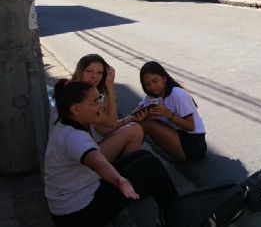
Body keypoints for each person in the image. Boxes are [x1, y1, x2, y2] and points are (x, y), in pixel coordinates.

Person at [45, 79, 178, 226]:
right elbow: (97, 162)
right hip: (78, 214)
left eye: (100, 98)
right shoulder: (75, 137)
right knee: (148, 164)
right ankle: (179, 216)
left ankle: (168, 204)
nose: (101, 104)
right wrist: (120, 180)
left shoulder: (66, 123)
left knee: (142, 156)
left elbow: (111, 125)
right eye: (95, 102)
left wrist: (100, 111)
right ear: (76, 110)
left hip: (76, 198)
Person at [70, 54, 145, 161]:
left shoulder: (95, 94)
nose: (94, 76)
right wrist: (110, 86)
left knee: (136, 128)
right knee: (134, 130)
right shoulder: (75, 94)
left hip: (88, 147)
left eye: (99, 73)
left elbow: (103, 129)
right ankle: (120, 173)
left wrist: (131, 118)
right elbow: (111, 124)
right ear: (80, 72)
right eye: (89, 71)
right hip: (79, 156)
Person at [138, 61, 207, 162]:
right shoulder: (152, 97)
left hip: (194, 144)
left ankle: (132, 156)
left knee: (146, 123)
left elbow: (191, 126)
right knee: (139, 121)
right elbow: (135, 114)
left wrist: (169, 115)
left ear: (164, 78)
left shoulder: (177, 94)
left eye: (155, 81)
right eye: (147, 84)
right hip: (178, 138)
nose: (152, 87)